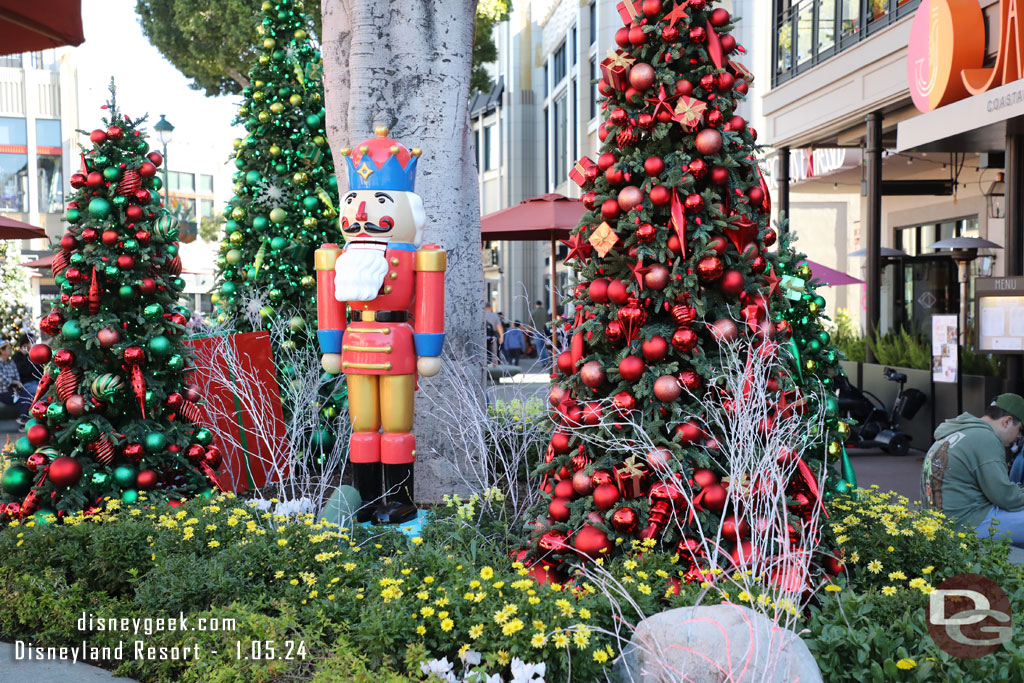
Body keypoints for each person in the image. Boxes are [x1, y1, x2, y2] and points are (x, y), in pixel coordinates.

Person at [922, 394, 1024, 546]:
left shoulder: (958, 431)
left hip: (939, 521)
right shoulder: (986, 439)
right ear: (1007, 421)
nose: (1019, 437)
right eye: (1020, 430)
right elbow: (1005, 497)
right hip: (963, 524)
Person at [0, 340, 31, 423]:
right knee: (22, 396)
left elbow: (17, 377)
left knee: (26, 394)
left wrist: (16, 386)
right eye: (9, 349)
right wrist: (14, 383)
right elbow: (2, 379)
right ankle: (23, 418)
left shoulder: (11, 362)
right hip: (3, 392)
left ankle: (23, 418)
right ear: (2, 351)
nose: (11, 350)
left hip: (14, 390)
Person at [12, 333, 41, 398]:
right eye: (33, 342)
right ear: (25, 345)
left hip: (38, 382)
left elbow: (39, 371)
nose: (35, 344)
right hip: (26, 384)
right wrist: (26, 356)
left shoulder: (34, 354)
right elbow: (25, 372)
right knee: (41, 392)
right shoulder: (16, 357)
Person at [530, 299, 550, 364]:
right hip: (544, 331)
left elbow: (530, 322)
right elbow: (548, 320)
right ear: (541, 304)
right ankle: (546, 360)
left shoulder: (534, 312)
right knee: (544, 346)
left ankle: (543, 361)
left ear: (536, 305)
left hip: (537, 331)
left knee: (539, 347)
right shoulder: (545, 311)